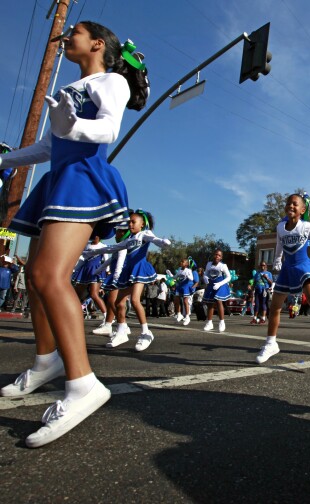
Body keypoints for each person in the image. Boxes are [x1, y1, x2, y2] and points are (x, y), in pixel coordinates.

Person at [0, 21, 149, 448]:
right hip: (59, 177)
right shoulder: (73, 86)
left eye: (75, 33)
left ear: (98, 43)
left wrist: (73, 126)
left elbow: (107, 130)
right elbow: (50, 146)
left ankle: (84, 384)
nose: (66, 39)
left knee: (50, 276)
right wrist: (8, 159)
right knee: (33, 276)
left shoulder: (111, 81)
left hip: (83, 179)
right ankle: (47, 361)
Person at [256, 194, 310, 364]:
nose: (291, 206)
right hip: (288, 268)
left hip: (304, 266)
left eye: (295, 204)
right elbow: (279, 245)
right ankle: (270, 343)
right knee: (275, 306)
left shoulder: (307, 226)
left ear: (303, 210)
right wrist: (277, 260)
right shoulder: (280, 227)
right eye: (288, 203)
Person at [84, 210, 170, 351]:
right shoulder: (129, 239)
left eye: (133, 221)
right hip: (128, 271)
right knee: (118, 302)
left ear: (142, 224)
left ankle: (146, 332)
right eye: (129, 221)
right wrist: (93, 252)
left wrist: (162, 242)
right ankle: (122, 329)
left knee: (135, 300)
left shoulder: (145, 234)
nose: (130, 224)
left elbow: (155, 240)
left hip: (139, 269)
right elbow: (113, 248)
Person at [91, 224, 129, 336]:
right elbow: (111, 260)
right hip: (115, 275)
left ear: (123, 233)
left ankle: (123, 325)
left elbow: (120, 262)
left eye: (117, 232)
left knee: (113, 301)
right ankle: (108, 324)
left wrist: (116, 277)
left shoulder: (123, 246)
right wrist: (99, 270)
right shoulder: (119, 246)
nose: (115, 235)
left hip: (119, 276)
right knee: (111, 301)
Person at [71, 235, 108, 317]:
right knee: (76, 295)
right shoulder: (86, 245)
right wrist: (74, 270)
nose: (94, 237)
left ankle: (107, 317)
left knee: (94, 294)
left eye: (96, 235)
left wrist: (107, 271)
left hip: (96, 270)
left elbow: (106, 261)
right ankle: (74, 314)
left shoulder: (103, 246)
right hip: (85, 270)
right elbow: (82, 259)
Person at [202, 249, 231, 333]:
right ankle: (209, 323)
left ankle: (222, 322)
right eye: (216, 254)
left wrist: (219, 284)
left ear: (221, 257)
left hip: (220, 285)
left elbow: (229, 277)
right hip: (211, 284)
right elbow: (206, 273)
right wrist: (205, 277)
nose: (217, 256)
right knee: (210, 303)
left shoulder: (223, 266)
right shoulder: (209, 264)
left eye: (219, 255)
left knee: (218, 301)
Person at [172, 258, 194, 325]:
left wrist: (188, 276)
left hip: (185, 287)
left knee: (185, 301)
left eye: (183, 262)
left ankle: (187, 316)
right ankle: (179, 314)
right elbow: (175, 277)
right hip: (179, 286)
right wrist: (171, 275)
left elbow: (192, 279)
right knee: (176, 300)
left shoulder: (188, 270)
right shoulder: (179, 270)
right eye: (181, 261)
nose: (181, 262)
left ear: (186, 264)